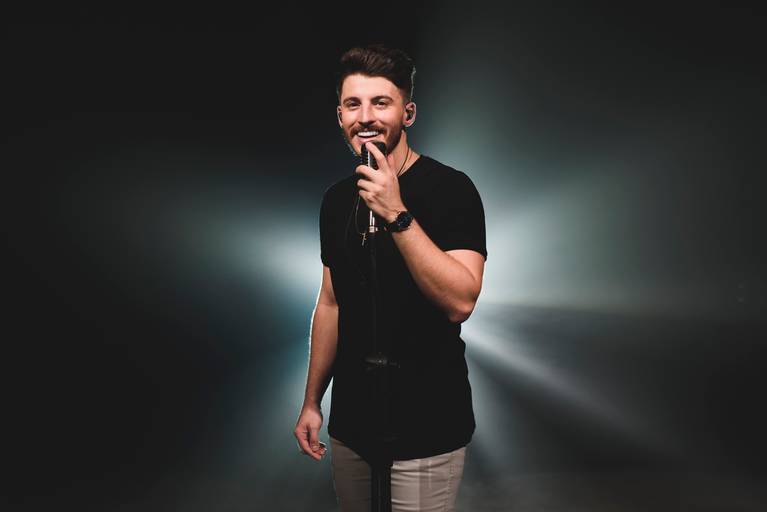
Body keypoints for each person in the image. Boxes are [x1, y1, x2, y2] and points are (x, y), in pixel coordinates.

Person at [294, 44, 487, 512]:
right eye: (353, 104)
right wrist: (313, 401)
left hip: (428, 420)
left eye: (381, 103)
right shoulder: (336, 200)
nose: (366, 117)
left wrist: (396, 212)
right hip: (353, 422)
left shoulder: (452, 189)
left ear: (408, 113)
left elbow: (460, 301)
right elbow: (331, 303)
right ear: (340, 115)